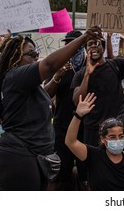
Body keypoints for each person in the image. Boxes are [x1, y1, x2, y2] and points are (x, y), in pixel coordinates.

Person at [0, 26, 102, 190]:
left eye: (36, 53)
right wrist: (83, 39)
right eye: (31, 54)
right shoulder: (16, 76)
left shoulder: (28, 84)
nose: (36, 57)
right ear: (15, 58)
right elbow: (49, 65)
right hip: (18, 158)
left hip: (31, 157)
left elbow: (46, 96)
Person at [65, 93, 124, 191]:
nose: (117, 140)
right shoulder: (94, 156)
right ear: (103, 139)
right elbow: (70, 142)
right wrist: (78, 116)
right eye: (112, 137)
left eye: (121, 136)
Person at [71, 35, 124, 148]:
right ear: (86, 49)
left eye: (97, 43)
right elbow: (77, 100)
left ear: (103, 48)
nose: (94, 46)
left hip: (115, 129)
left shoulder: (116, 65)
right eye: (90, 44)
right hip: (92, 130)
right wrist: (87, 75)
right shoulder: (80, 74)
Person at [43, 30, 87, 190]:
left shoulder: (90, 65)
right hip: (62, 127)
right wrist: (57, 76)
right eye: (67, 44)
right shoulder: (59, 66)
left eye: (73, 43)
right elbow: (46, 95)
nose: (70, 47)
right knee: (56, 175)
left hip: (85, 128)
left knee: (86, 176)